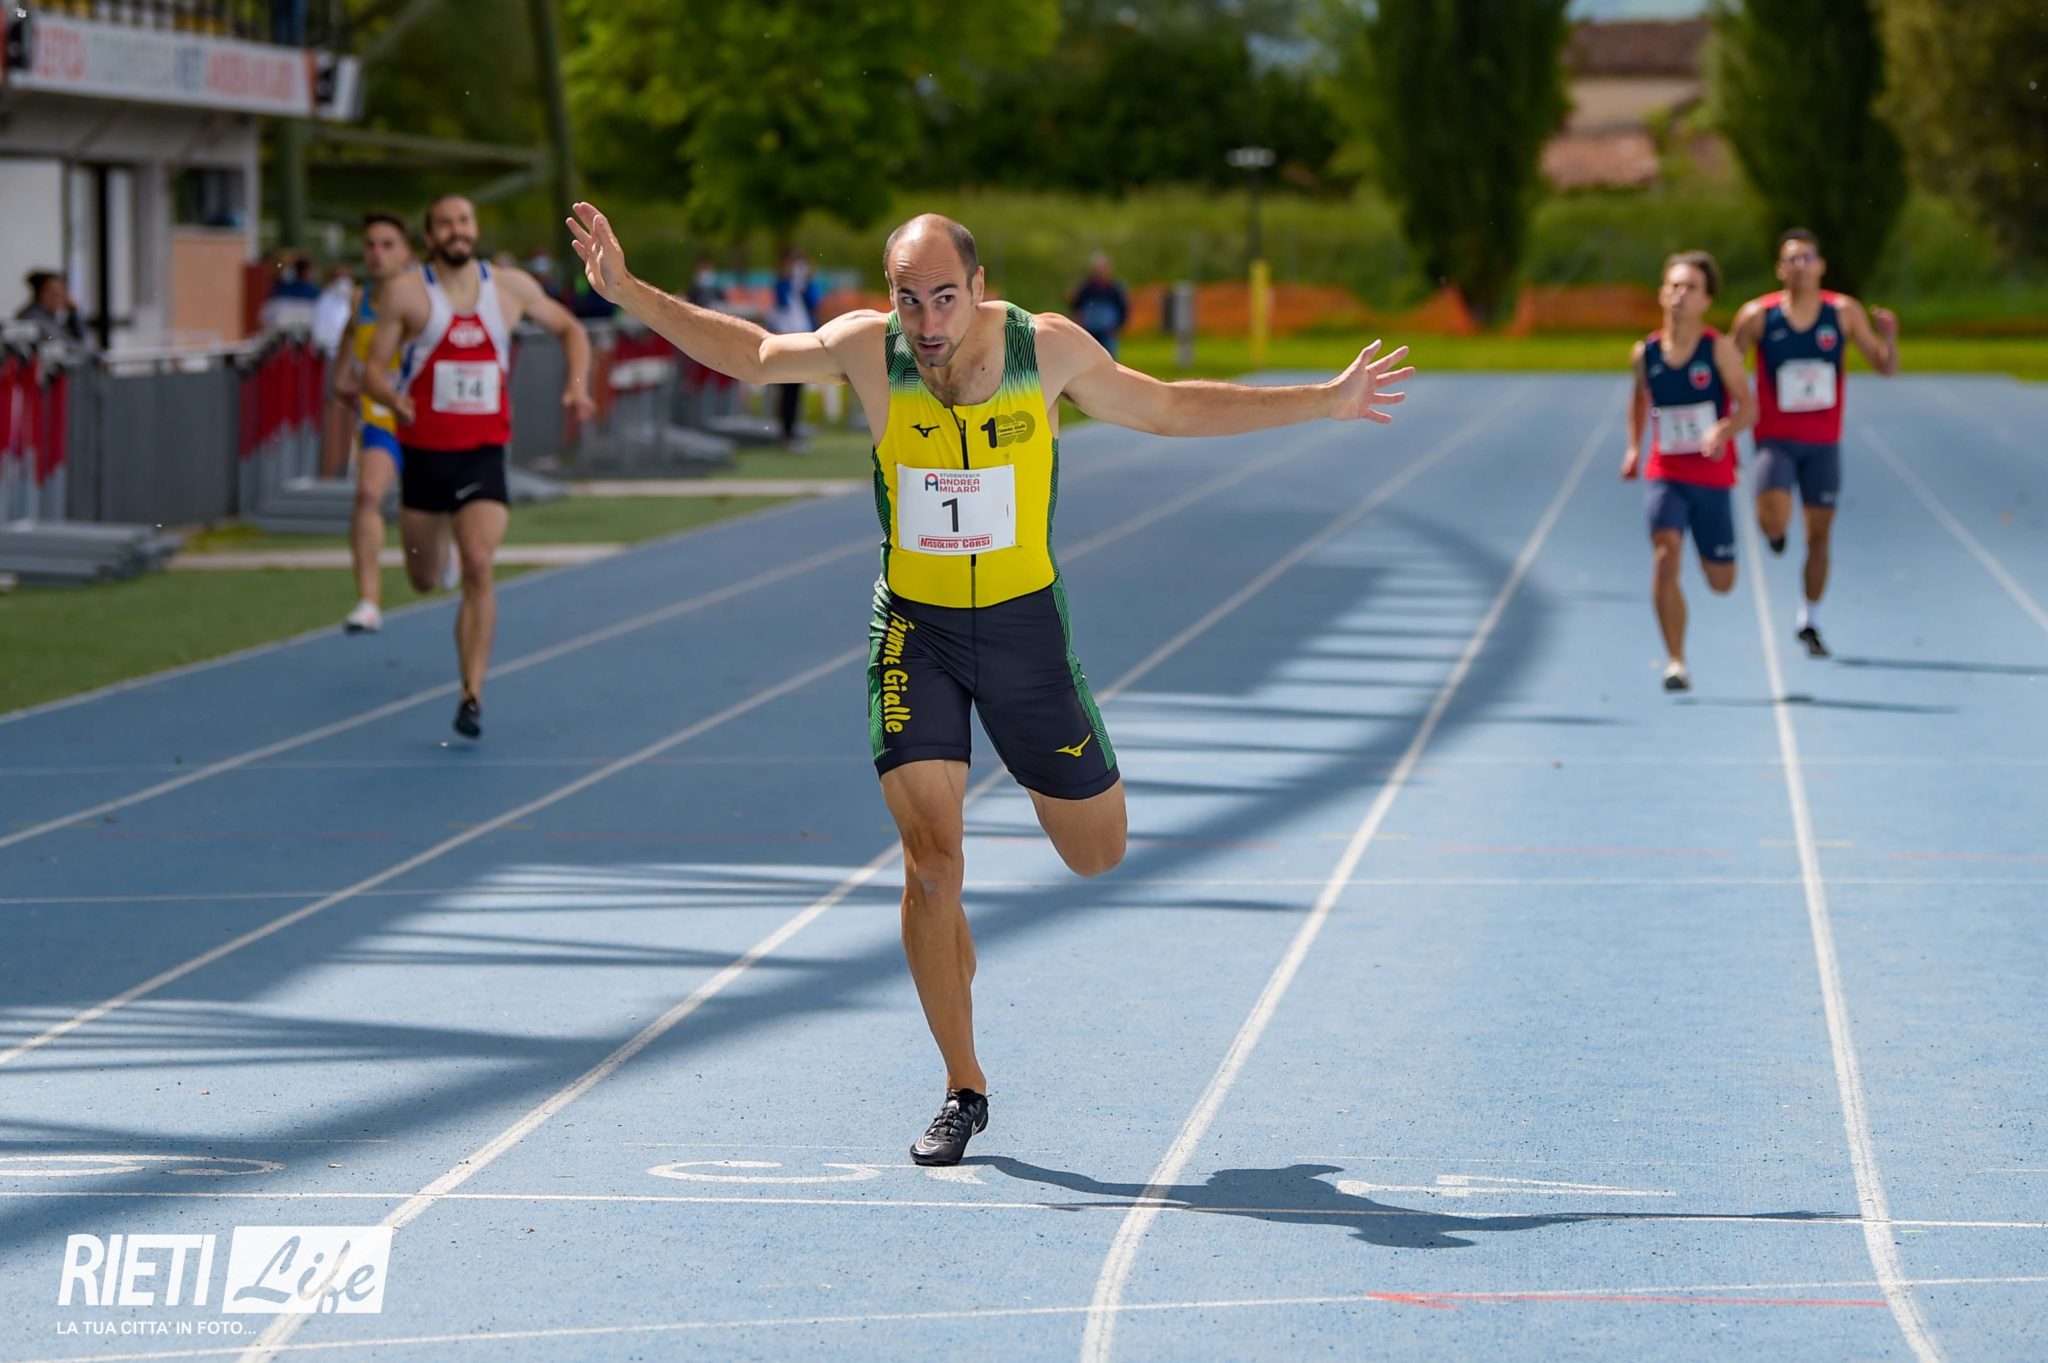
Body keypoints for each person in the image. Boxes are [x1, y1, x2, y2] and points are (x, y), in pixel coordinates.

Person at [566, 202, 1413, 1164]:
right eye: (908, 299)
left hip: (1023, 635)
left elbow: (1170, 407)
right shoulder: (867, 351)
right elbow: (756, 355)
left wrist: (1324, 399)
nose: (927, 322)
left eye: (944, 298)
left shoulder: (1042, 351)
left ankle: (955, 930)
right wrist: (627, 291)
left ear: (978, 287)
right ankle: (962, 1085)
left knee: (1097, 852)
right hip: (914, 632)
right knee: (932, 862)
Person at [362, 195, 595, 738]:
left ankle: (471, 695)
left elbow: (571, 329)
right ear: (430, 236)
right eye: (445, 223)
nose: (457, 230)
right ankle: (441, 557)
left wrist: (577, 387)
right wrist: (392, 399)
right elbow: (372, 370)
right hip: (424, 455)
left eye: (464, 221)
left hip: (484, 452)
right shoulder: (406, 293)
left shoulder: (509, 288)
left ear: (475, 228)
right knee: (424, 580)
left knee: (478, 564)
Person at [1730, 229, 1900, 658]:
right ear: (1780, 269)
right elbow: (1727, 369)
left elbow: (1885, 367)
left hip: (1823, 443)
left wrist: (1889, 337)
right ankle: (1774, 534)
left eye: (1807, 258)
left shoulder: (1843, 312)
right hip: (1775, 438)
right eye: (1792, 259)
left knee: (1820, 533)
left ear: (1821, 266)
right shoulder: (1757, 316)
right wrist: (1726, 420)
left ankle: (1810, 619)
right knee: (1772, 518)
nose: (1800, 266)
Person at [1622, 250, 1757, 693]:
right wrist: (1634, 447)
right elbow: (1639, 400)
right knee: (1665, 557)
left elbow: (1749, 407)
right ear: (1662, 293)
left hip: (1712, 477)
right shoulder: (1644, 353)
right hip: (1666, 472)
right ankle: (1676, 660)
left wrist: (1723, 428)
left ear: (1706, 300)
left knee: (1721, 582)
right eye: (1674, 285)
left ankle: (1712, 557)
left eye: (1691, 288)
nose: (1680, 294)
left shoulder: (1717, 350)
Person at [328, 212, 436, 634]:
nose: (377, 253)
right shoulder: (362, 299)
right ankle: (368, 602)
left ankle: (445, 552)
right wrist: (343, 380)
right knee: (368, 493)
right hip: (380, 416)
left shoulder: (427, 294)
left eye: (387, 244)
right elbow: (348, 342)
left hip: (426, 416)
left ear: (406, 252)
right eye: (370, 244)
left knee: (430, 519)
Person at [767, 246, 822, 447]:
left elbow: (814, 303)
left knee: (796, 389)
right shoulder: (782, 284)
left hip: (803, 339)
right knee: (785, 388)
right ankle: (784, 433)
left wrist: (805, 282)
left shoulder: (805, 286)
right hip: (785, 340)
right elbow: (781, 302)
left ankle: (791, 431)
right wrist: (790, 281)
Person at [1069, 252, 1130, 360]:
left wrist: (1118, 326)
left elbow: (1123, 308)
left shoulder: (1115, 288)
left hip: (1108, 331)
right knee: (1088, 360)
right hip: (1088, 330)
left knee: (1109, 360)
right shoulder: (1085, 287)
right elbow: (1076, 306)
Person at [14, 272, 88, 347]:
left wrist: (73, 314)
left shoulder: (50, 317)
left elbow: (80, 340)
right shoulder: (33, 317)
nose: (58, 296)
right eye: (52, 292)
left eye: (62, 291)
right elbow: (67, 345)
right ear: (39, 293)